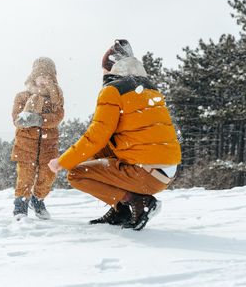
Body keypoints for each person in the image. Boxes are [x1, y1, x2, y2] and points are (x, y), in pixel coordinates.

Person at [48, 39, 181, 230]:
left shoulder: (113, 90)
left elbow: (96, 135)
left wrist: (62, 161)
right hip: (166, 170)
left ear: (111, 68)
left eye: (103, 69)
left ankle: (137, 201)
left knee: (76, 174)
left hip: (148, 174)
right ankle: (121, 210)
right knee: (101, 152)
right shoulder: (149, 88)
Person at [11, 57, 64, 220]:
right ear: (33, 77)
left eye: (48, 77)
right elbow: (17, 119)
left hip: (49, 147)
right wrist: (27, 119)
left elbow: (58, 116)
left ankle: (38, 199)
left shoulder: (55, 99)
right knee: (25, 178)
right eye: (41, 76)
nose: (44, 80)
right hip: (26, 146)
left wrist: (40, 119)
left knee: (48, 177)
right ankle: (20, 207)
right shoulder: (22, 96)